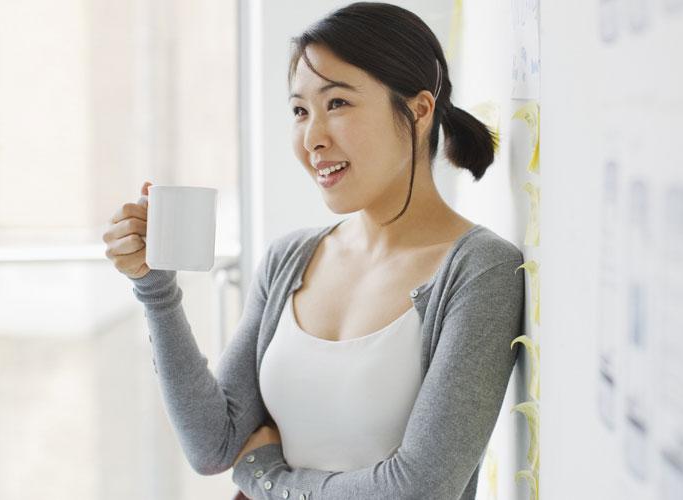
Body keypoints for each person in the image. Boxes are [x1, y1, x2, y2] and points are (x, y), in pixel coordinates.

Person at [101, 3, 526, 499]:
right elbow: (213, 444)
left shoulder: (480, 271)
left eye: (338, 104)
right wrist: (154, 287)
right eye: (300, 110)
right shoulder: (291, 258)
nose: (312, 138)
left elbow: (418, 489)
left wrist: (265, 476)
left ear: (418, 110)